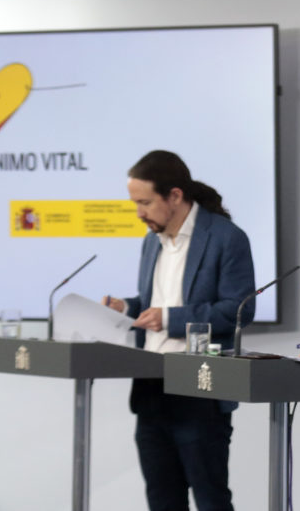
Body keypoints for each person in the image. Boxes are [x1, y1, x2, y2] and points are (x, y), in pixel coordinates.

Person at [102, 150, 255, 511]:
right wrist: (126, 308)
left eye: (145, 202)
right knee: (161, 499)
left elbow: (238, 309)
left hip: (199, 388)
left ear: (174, 195)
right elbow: (153, 301)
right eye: (135, 203)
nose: (139, 212)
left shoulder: (225, 237)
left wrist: (170, 319)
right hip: (151, 387)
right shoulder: (151, 240)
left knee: (210, 499)